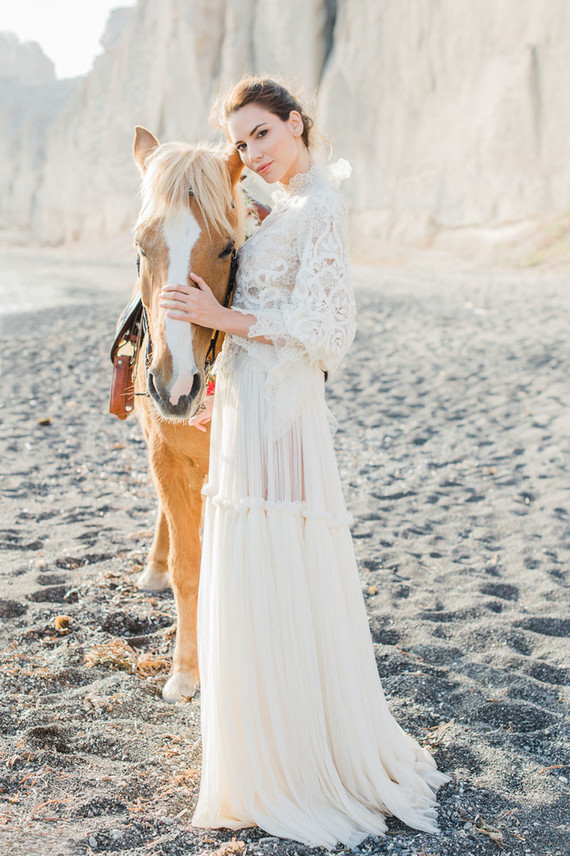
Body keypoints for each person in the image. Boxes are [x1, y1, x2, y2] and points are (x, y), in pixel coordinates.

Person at [158, 76, 450, 851]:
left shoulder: (319, 204)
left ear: (295, 123)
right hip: (245, 400)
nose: (251, 151)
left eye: (262, 133)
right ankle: (256, 753)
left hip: (286, 411)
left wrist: (222, 317)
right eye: (240, 139)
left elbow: (328, 326)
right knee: (250, 562)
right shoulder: (273, 202)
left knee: (280, 557)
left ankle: (298, 758)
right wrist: (218, 369)